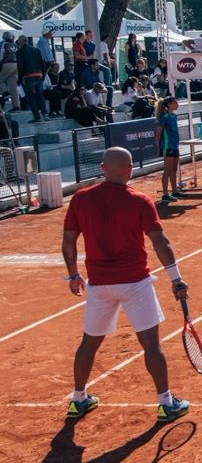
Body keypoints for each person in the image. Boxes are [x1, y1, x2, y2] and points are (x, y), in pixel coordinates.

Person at [62, 146, 190, 422]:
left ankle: (77, 399)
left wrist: (73, 274)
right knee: (152, 347)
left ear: (103, 168)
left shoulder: (80, 199)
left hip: (99, 286)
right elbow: (160, 242)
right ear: (130, 170)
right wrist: (176, 278)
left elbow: (69, 241)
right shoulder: (140, 201)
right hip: (135, 284)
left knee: (88, 345)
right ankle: (166, 404)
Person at [155, 97, 185, 202]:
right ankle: (165, 194)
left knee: (174, 170)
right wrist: (158, 146)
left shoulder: (174, 116)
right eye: (175, 103)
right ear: (169, 104)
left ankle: (174, 191)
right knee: (167, 171)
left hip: (174, 145)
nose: (177, 104)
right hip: (167, 146)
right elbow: (158, 133)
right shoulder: (164, 117)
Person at [15, 35, 48, 123]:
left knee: (31, 98)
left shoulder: (20, 52)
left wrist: (19, 79)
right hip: (39, 75)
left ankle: (37, 117)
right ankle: (45, 114)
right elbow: (42, 63)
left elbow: (20, 67)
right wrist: (43, 75)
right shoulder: (36, 50)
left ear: (20, 42)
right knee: (39, 95)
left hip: (28, 76)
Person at [0, 31, 20, 112]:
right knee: (13, 86)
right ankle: (16, 106)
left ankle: (5, 93)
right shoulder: (14, 45)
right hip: (15, 65)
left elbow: (1, 53)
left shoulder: (3, 43)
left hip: (6, 63)